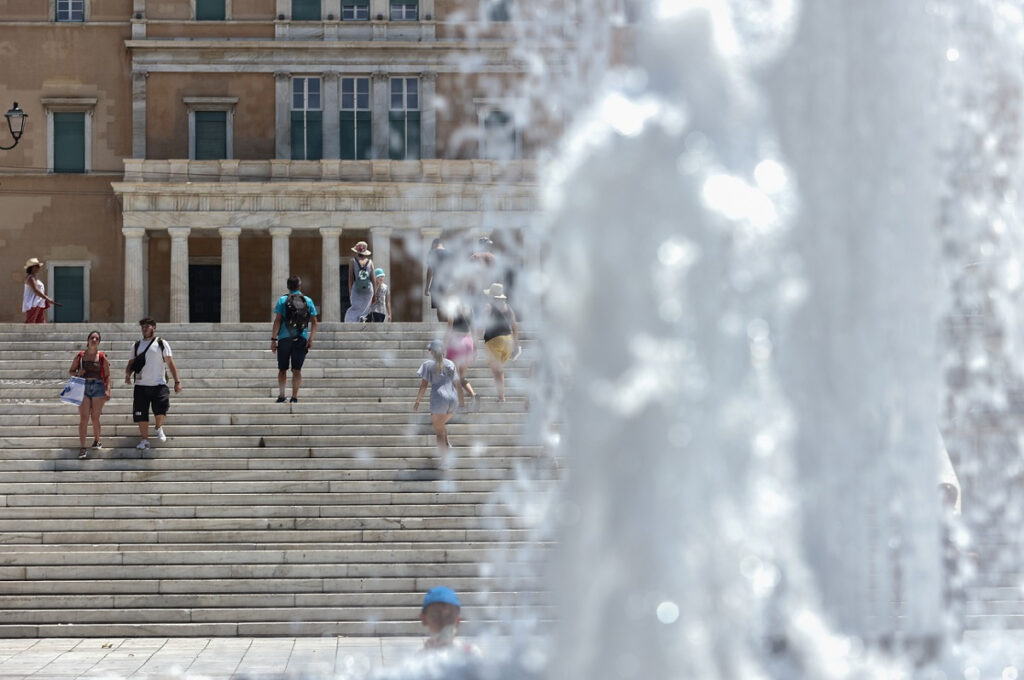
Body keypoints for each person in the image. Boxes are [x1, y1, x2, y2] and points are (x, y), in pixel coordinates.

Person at [125, 318, 182, 450]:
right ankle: (144, 440)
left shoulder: (161, 343)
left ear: (154, 327)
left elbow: (170, 363)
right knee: (141, 413)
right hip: (140, 384)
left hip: (158, 384)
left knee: (161, 408)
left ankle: (158, 427)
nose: (144, 329)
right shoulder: (136, 345)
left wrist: (177, 381)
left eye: (147, 326)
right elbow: (131, 364)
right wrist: (127, 375)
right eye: (142, 327)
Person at [271, 275, 318, 403]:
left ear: (288, 287)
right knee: (297, 369)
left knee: (282, 369)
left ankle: (281, 395)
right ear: (299, 286)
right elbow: (314, 322)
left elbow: (278, 320)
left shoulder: (282, 300)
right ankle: (294, 397)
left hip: (285, 338)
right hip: (301, 338)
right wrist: (311, 339)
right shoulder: (307, 300)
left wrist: (273, 339)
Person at [414, 340, 460, 460]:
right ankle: (447, 442)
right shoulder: (451, 364)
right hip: (453, 399)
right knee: (440, 423)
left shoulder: (428, 365)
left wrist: (418, 401)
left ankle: (445, 461)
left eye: (429, 350)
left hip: (439, 398)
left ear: (433, 352)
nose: (429, 352)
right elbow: (456, 383)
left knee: (438, 432)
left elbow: (424, 385)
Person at [68, 330, 111, 460]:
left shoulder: (102, 357)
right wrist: (78, 372)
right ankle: (82, 447)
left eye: (96, 338)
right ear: (88, 340)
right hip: (83, 386)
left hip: (98, 386)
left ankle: (97, 440)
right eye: (92, 338)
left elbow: (108, 375)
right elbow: (70, 371)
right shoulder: (80, 356)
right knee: (84, 417)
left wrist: (108, 390)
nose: (94, 340)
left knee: (95, 417)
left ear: (99, 342)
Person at [481, 283, 519, 403]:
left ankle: (501, 397)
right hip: (507, 340)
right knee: (499, 369)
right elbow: (514, 325)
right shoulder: (508, 307)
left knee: (496, 370)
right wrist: (516, 344)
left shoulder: (488, 306)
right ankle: (501, 396)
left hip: (494, 339)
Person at [419, 586, 476, 654]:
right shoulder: (418, 658)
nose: (442, 623)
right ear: (424, 619)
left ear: (457, 621)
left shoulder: (470, 654)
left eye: (449, 617)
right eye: (436, 616)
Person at [445, 300, 479, 411]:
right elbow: (474, 328)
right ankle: (473, 395)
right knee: (461, 376)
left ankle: (462, 405)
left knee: (456, 377)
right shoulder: (470, 308)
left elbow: (450, 327)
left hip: (456, 342)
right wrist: (475, 347)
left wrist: (444, 345)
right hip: (468, 341)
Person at [345, 240, 376, 322]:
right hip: (369, 288)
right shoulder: (370, 262)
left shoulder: (353, 261)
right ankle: (363, 318)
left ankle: (351, 322)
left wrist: (350, 290)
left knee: (355, 307)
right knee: (365, 308)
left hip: (356, 287)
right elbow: (373, 278)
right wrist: (375, 293)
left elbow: (350, 277)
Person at [424, 237, 453, 322]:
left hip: (437, 284)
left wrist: (426, 288)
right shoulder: (450, 253)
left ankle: (442, 326)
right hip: (448, 284)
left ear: (434, 244)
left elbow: (430, 270)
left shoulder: (432, 252)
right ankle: (448, 327)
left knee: (439, 308)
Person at [22, 258, 58, 323]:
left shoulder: (34, 278)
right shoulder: (30, 278)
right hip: (33, 304)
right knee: (31, 322)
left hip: (38, 303)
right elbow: (36, 290)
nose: (38, 268)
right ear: (32, 267)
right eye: (37, 266)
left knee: (40, 322)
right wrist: (47, 298)